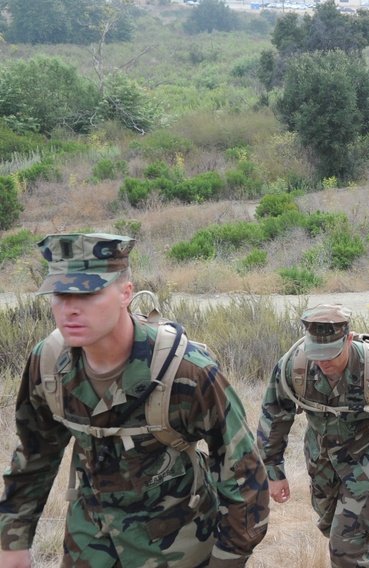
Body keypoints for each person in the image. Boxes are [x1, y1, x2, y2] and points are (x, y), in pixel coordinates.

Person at [0, 233, 269, 568]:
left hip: (176, 545)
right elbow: (35, 455)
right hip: (89, 543)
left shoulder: (186, 372)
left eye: (88, 292)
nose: (69, 309)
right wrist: (13, 539)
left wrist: (228, 560)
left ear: (125, 293)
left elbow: (243, 475)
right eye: (59, 294)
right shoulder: (50, 363)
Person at [256, 304, 369, 567]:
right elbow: (274, 417)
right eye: (317, 353)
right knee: (330, 528)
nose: (323, 361)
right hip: (322, 464)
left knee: (343, 547)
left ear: (348, 340)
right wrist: (273, 471)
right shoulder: (294, 366)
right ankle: (359, 550)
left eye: (330, 354)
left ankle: (354, 551)